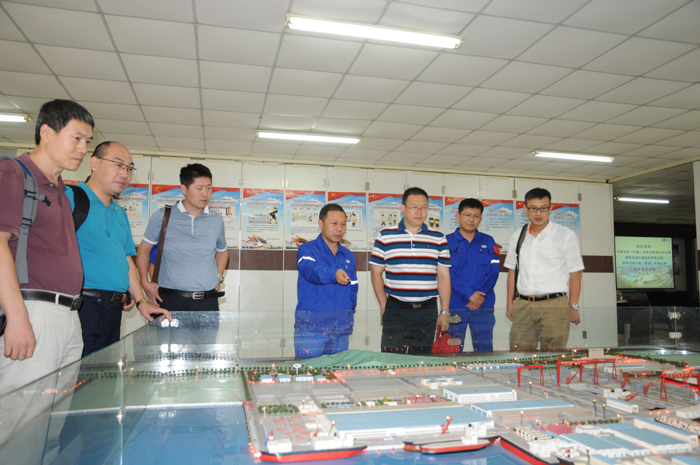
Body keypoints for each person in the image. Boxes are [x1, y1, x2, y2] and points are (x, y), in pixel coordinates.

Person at [0, 99, 94, 395]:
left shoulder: (61, 190)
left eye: (88, 141)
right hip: (33, 311)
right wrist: (17, 318)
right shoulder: (13, 172)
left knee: (54, 413)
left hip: (68, 315)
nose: (83, 148)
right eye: (76, 138)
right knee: (23, 413)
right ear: (47, 132)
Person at [66, 141, 171, 357]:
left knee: (101, 373)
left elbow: (126, 260)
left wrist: (141, 301)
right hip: (80, 306)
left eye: (129, 168)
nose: (125, 174)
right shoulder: (70, 198)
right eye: (118, 165)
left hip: (113, 310)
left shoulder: (119, 213)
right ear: (94, 163)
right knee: (74, 372)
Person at [136, 163, 228, 344]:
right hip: (172, 301)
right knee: (172, 355)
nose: (205, 193)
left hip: (207, 302)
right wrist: (145, 282)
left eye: (209, 188)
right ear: (184, 189)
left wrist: (219, 276)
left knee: (205, 354)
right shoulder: (163, 216)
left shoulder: (216, 220)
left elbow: (222, 252)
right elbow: (144, 250)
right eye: (199, 188)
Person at [370, 187, 451, 355]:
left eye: (423, 207)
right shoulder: (385, 236)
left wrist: (444, 311)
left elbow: (444, 277)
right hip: (396, 309)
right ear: (403, 208)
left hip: (427, 312)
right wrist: (384, 306)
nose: (419, 212)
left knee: (421, 361)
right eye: (414, 207)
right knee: (391, 359)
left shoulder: (438, 238)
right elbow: (376, 273)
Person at [504, 187, 584, 351]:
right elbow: (512, 270)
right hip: (523, 305)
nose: (538, 213)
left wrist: (573, 306)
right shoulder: (518, 236)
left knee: (553, 354)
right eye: (533, 208)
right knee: (520, 353)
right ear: (525, 209)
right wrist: (509, 304)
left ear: (550, 208)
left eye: (543, 208)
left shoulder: (565, 235)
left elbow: (576, 272)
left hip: (554, 305)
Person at [294, 203, 358, 358]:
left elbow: (353, 289)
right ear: (321, 224)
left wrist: (348, 313)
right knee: (308, 371)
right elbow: (310, 270)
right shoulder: (307, 250)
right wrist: (334, 274)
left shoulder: (348, 256)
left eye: (343, 224)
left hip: (340, 331)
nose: (339, 229)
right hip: (312, 329)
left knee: (337, 372)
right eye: (334, 223)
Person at [445, 199, 500, 352]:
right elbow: (446, 273)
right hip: (455, 305)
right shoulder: (446, 242)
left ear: (480, 219)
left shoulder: (489, 241)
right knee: (452, 351)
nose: (471, 219)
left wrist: (478, 296)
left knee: (484, 351)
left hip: (483, 304)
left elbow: (494, 271)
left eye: (476, 216)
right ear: (458, 216)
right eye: (467, 215)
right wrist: (470, 294)